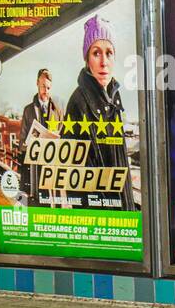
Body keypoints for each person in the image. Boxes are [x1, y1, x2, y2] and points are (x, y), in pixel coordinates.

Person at [64, 14, 134, 211]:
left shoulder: (113, 97)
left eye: (109, 53)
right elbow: (74, 179)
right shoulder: (77, 104)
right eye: (96, 53)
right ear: (87, 59)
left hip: (123, 217)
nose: (104, 62)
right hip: (102, 226)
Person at [18, 68, 62, 206]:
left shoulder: (58, 112)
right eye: (43, 86)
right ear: (37, 83)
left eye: (48, 87)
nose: (46, 90)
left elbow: (62, 138)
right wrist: (30, 145)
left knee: (51, 209)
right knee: (32, 207)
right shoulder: (28, 110)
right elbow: (21, 143)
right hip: (33, 170)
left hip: (51, 169)